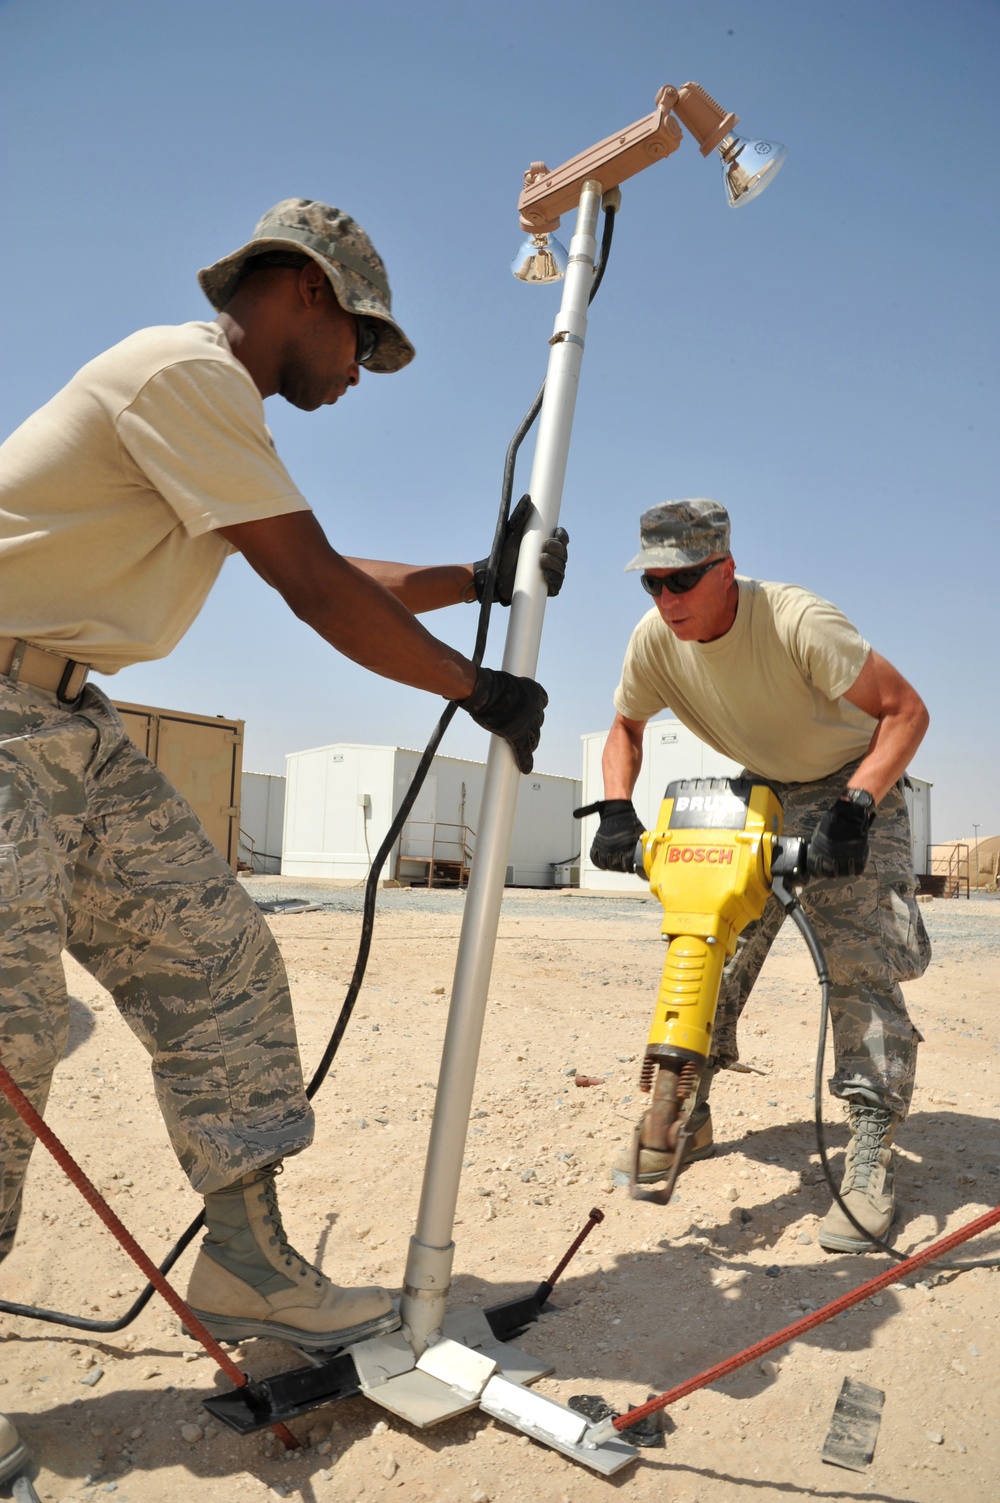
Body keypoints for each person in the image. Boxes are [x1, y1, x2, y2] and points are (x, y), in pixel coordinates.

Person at [0, 199, 561, 1353]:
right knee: (8, 1032)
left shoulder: (210, 412)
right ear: (308, 290)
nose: (362, 373)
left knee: (222, 962)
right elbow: (312, 586)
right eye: (363, 341)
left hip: (66, 716)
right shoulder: (180, 374)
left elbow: (324, 566)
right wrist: (477, 689)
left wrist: (475, 577)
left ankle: (249, 1268)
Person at [589, 498, 930, 1253]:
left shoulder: (796, 621)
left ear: (726, 569)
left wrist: (856, 809)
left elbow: (906, 712)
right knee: (712, 942)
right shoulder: (654, 641)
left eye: (681, 581)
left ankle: (869, 1152)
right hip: (761, 788)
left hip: (850, 782)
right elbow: (625, 725)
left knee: (857, 963)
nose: (666, 600)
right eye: (652, 584)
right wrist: (617, 809)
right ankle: (683, 1110)